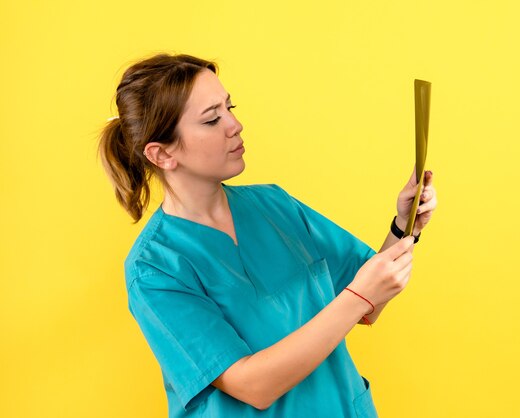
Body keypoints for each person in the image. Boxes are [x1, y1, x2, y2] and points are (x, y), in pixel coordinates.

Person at [98, 53, 437, 418]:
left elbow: (369, 303)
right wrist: (358, 297)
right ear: (162, 153)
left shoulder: (275, 205)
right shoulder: (155, 269)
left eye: (230, 107)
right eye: (212, 119)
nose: (235, 124)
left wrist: (403, 228)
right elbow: (252, 386)